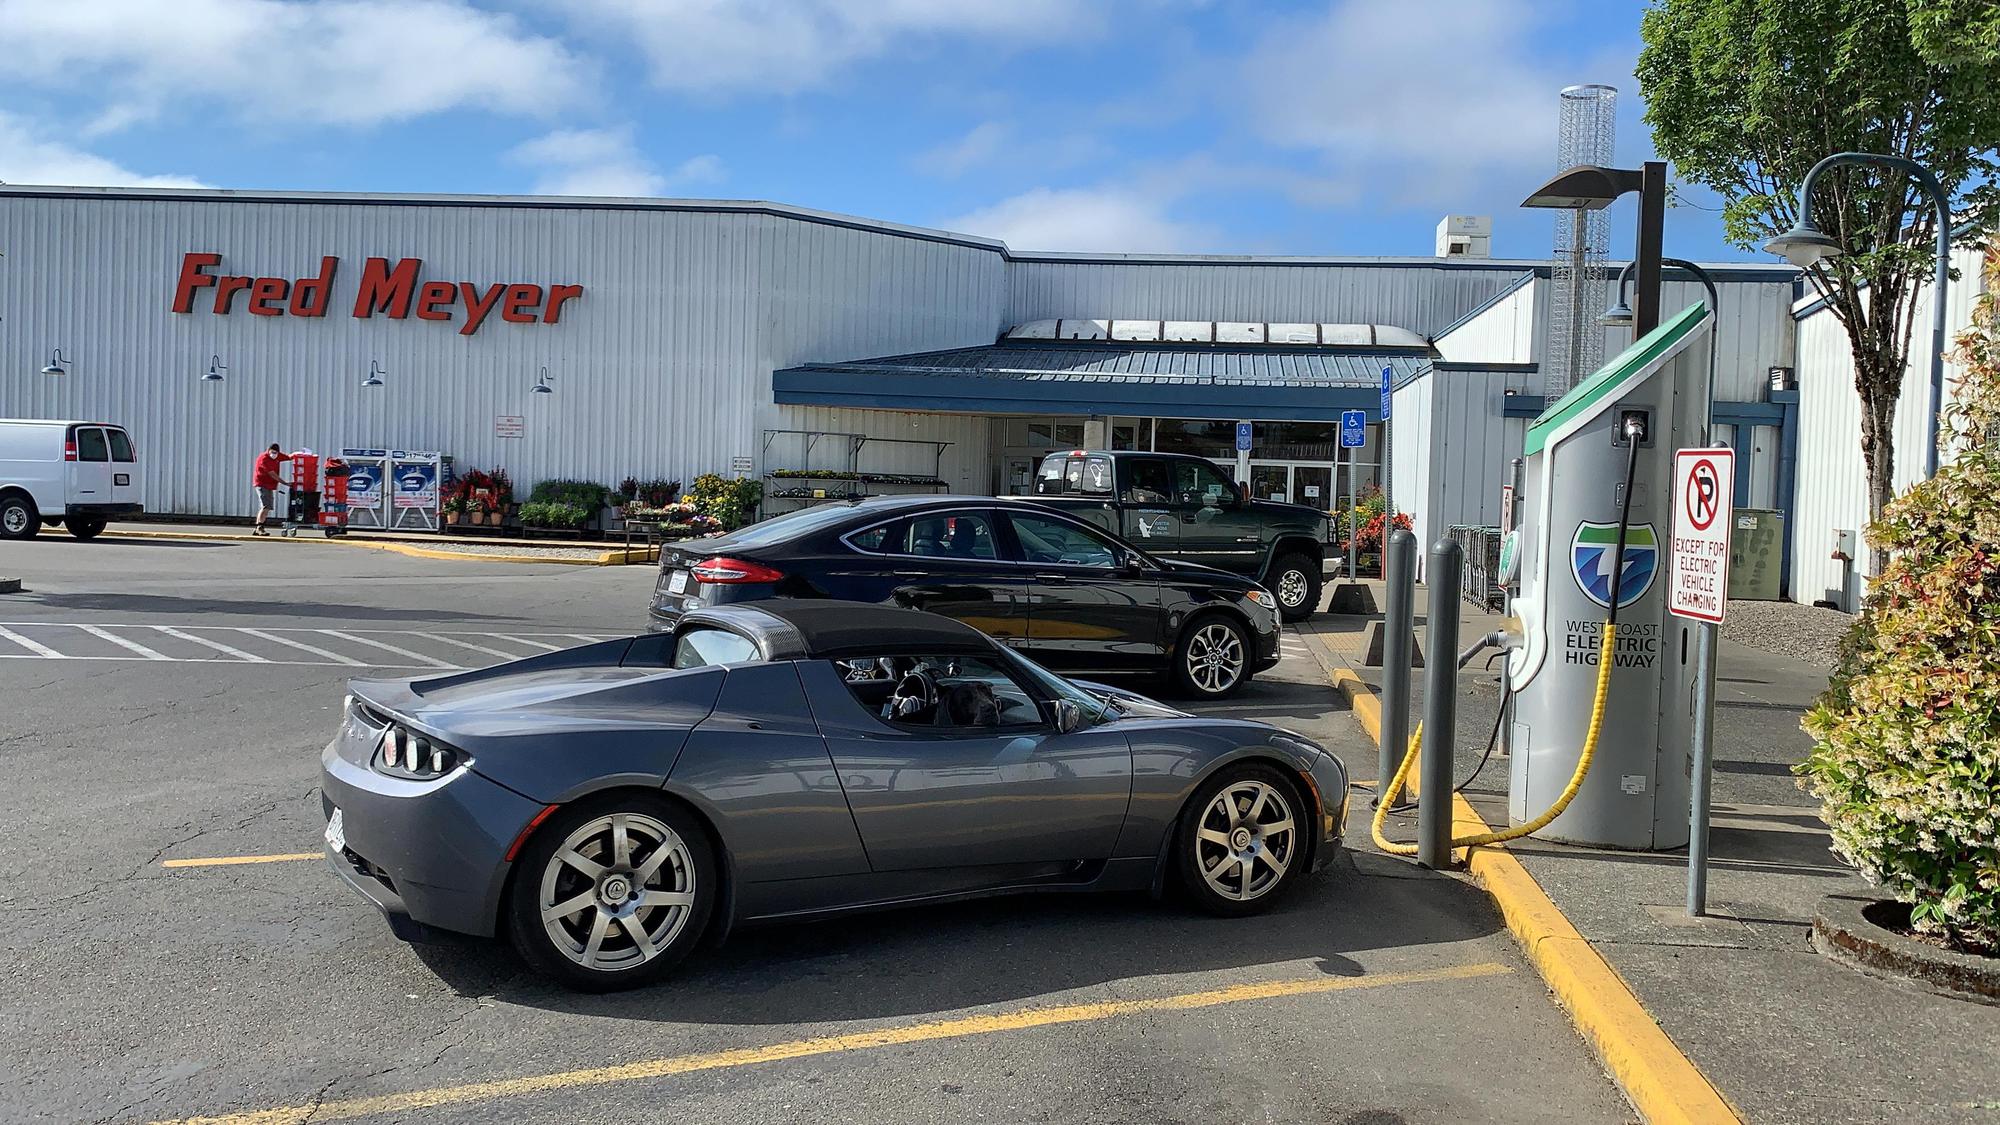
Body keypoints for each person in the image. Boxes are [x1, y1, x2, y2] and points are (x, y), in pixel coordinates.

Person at [252, 443, 292, 535]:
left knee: (266, 506)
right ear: (268, 450)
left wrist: (297, 455)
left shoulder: (277, 456)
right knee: (266, 506)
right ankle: (260, 527)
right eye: (272, 452)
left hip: (269, 485)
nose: (274, 454)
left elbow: (288, 457)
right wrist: (285, 483)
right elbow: (272, 474)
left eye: (276, 453)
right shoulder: (264, 459)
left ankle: (257, 527)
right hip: (262, 484)